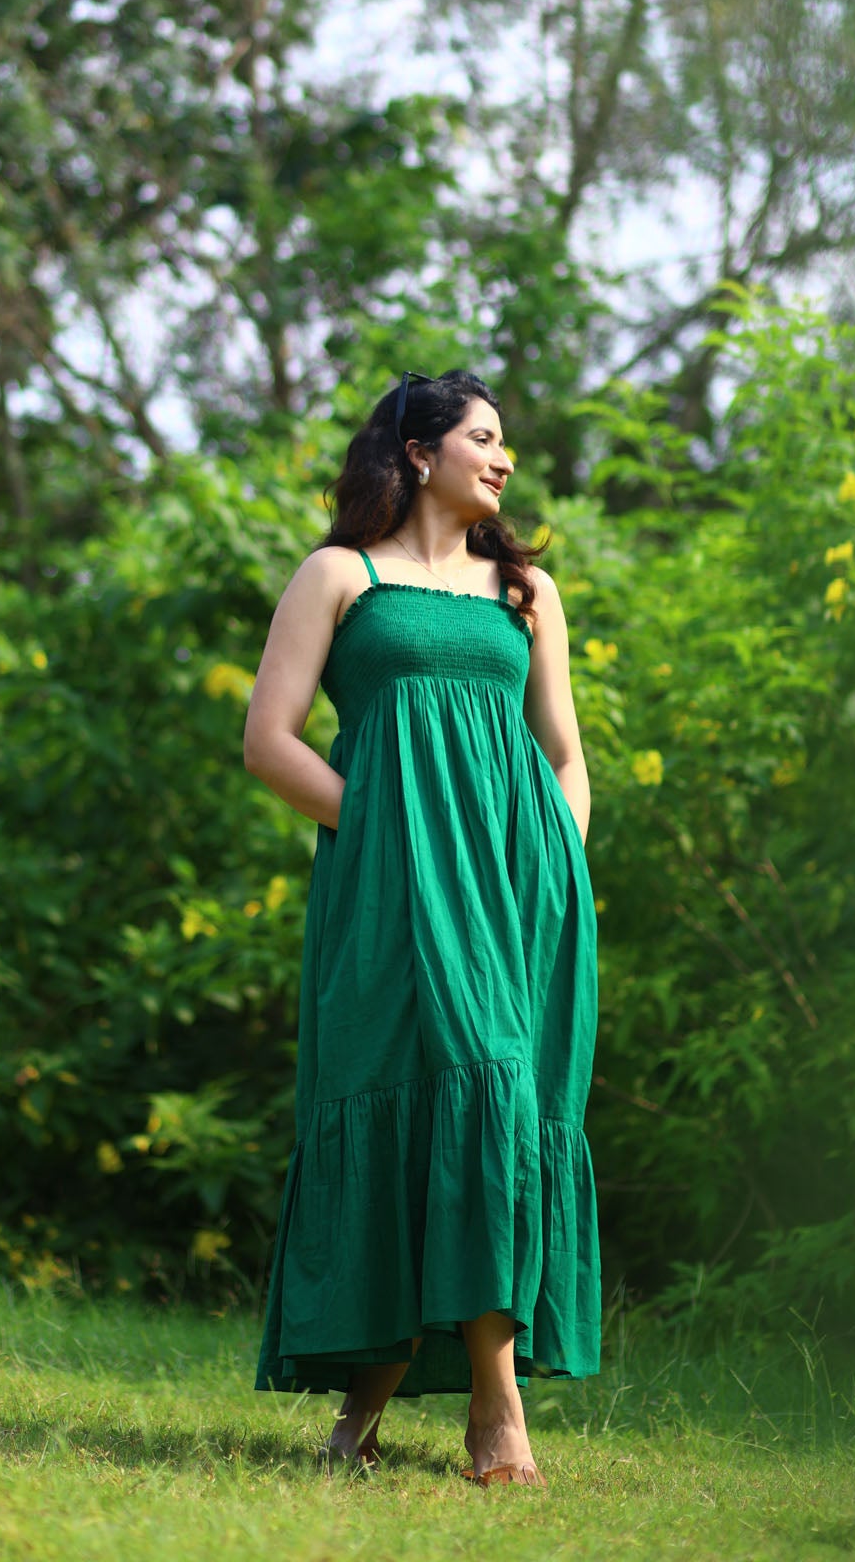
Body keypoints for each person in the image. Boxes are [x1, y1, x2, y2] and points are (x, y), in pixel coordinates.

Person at [243, 368, 600, 1486]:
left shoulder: (525, 591)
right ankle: (432, 1407)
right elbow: (270, 740)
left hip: (516, 896)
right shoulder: (338, 575)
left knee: (490, 1098)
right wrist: (383, 830)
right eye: (482, 438)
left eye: (505, 442)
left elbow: (564, 753)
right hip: (388, 891)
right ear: (417, 451)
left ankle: (463, 1408)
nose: (503, 458)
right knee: (419, 1096)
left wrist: (553, 861)